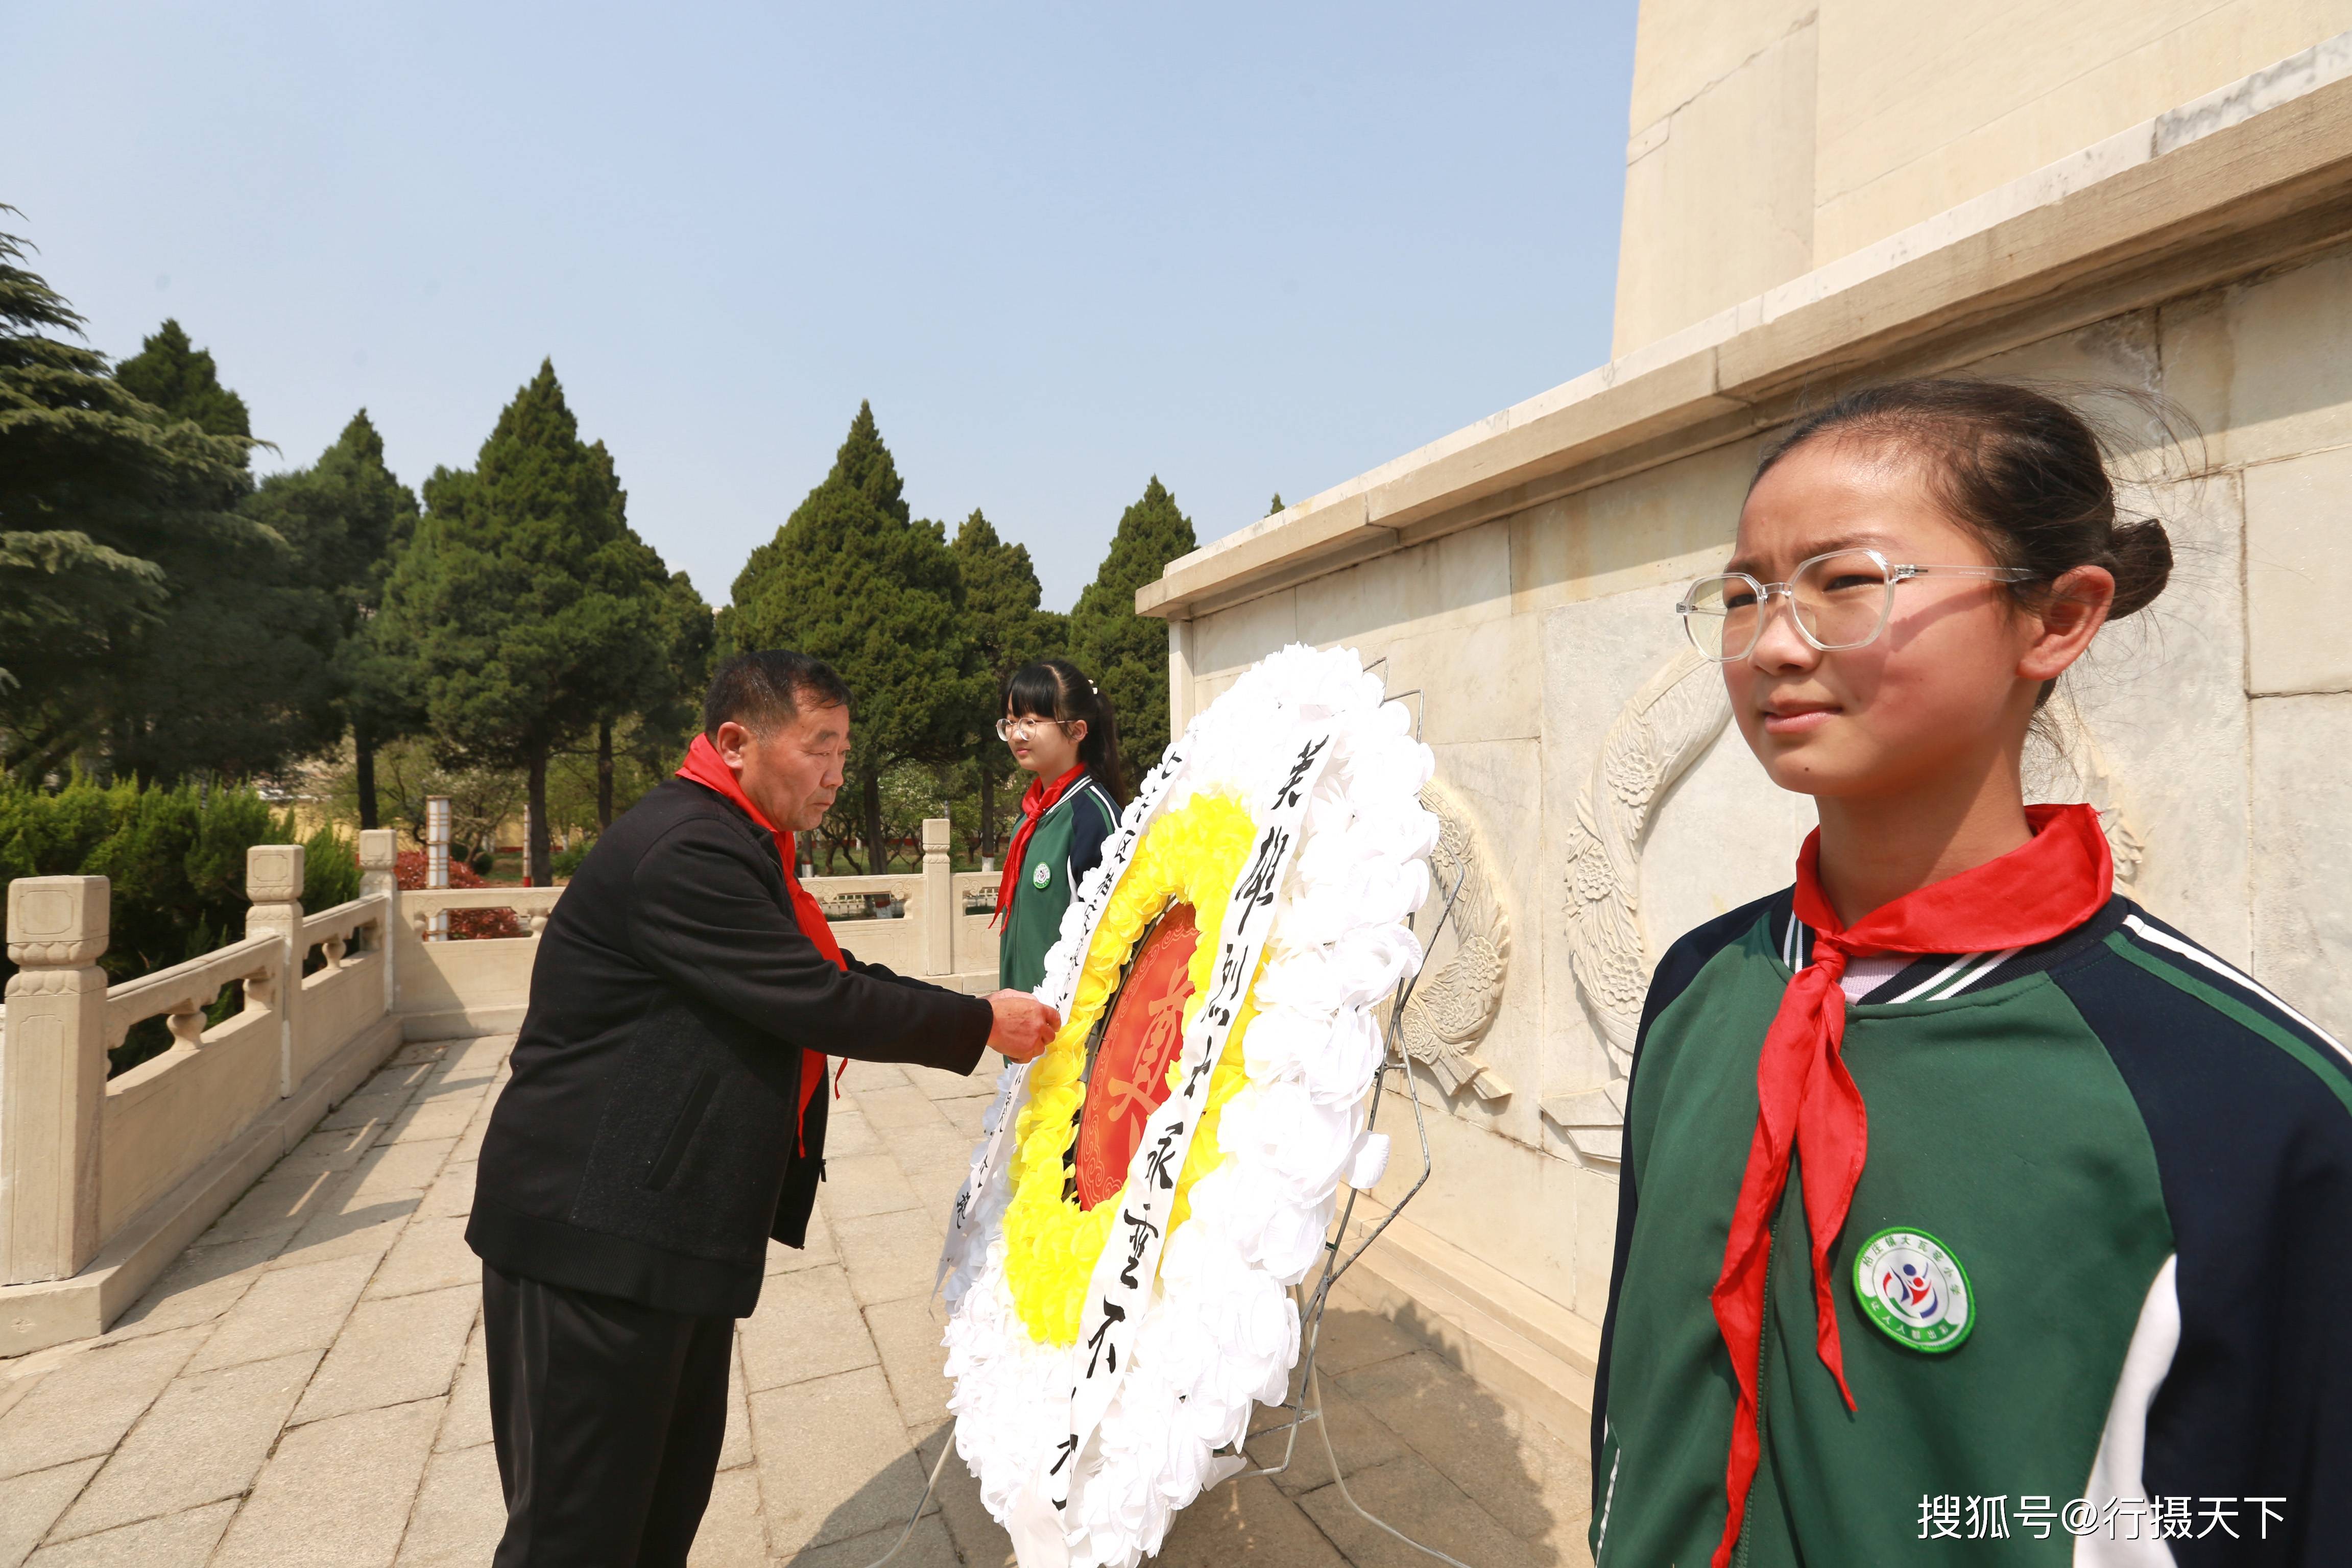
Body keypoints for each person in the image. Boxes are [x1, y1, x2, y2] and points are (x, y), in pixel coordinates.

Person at [1588, 381, 2352, 1565]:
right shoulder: (1705, 982)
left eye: (1845, 583)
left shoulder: (2245, 1108)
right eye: (1743, 596)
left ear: (2055, 618)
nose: (1774, 642)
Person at [465, 649, 1061, 1568]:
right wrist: (981, 1021)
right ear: (736, 742)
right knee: (576, 1536)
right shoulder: (688, 849)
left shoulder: (742, 845)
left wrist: (972, 1014)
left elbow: (829, 975)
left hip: (665, 1230)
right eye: (818, 746)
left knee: (658, 1514)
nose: (835, 774)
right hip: (591, 1237)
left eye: (844, 751)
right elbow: (816, 999)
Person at [991, 657, 1126, 993]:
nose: (1015, 734)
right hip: (1022, 1028)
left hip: (1067, 1035)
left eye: (1030, 722)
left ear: (1077, 730)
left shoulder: (1094, 817)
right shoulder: (1030, 816)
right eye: (1009, 722)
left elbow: (1112, 940)